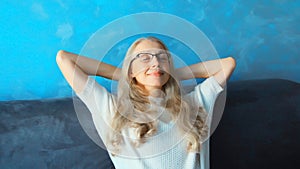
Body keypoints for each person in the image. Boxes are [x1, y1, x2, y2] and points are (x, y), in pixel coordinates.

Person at [56, 36, 236, 169]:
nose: (155, 62)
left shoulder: (193, 103)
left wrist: (168, 72)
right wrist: (126, 74)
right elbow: (64, 59)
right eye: (144, 58)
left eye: (162, 57)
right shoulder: (112, 108)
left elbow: (227, 64)